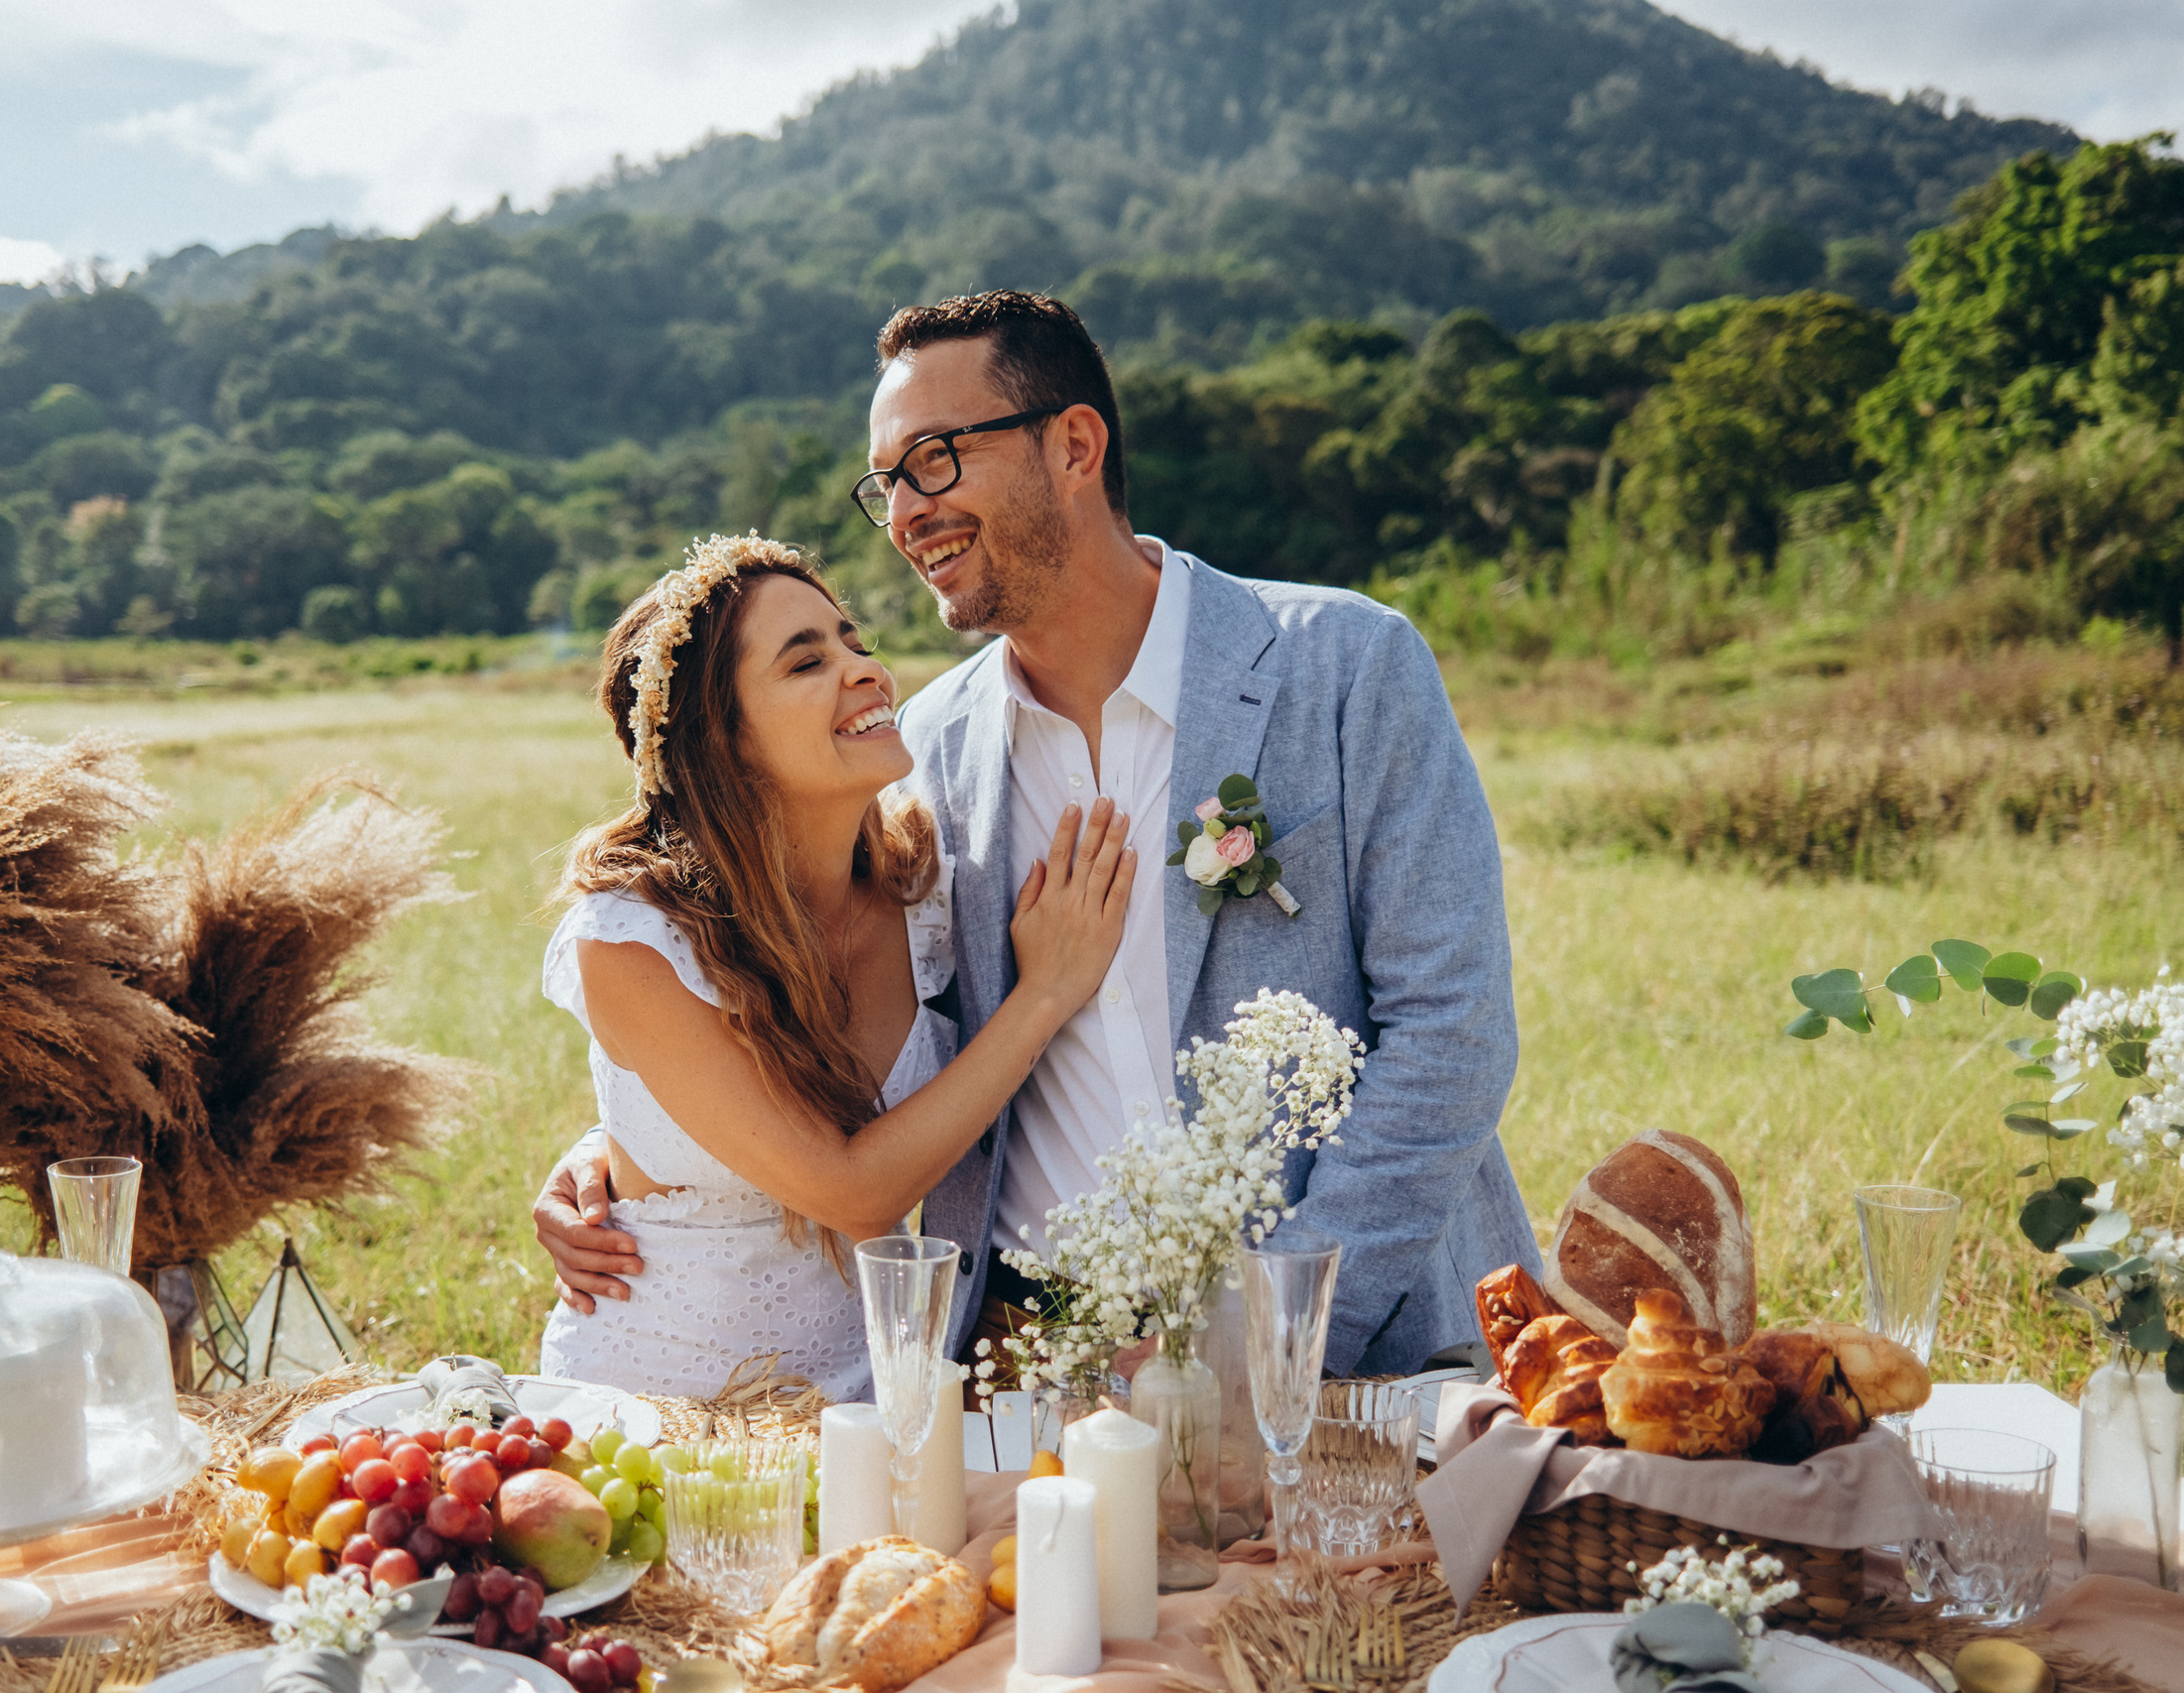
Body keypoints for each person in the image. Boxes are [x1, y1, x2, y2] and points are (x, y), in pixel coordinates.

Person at [539, 292, 1541, 1379]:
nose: (905, 512)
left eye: (934, 459)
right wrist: (620, 1157)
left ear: (1073, 445)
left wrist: (1270, 1339)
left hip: (1356, 1345)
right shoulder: (923, 756)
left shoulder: (1344, 666)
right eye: (886, 483)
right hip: (1034, 1361)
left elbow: (1451, 1034)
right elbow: (792, 1017)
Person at [535, 531, 1135, 1400]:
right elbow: (853, 1192)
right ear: (722, 740)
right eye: (807, 661)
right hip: (662, 1407)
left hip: (877, 1393)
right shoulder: (632, 939)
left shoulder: (927, 890)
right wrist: (1042, 996)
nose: (867, 671)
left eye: (854, 641)